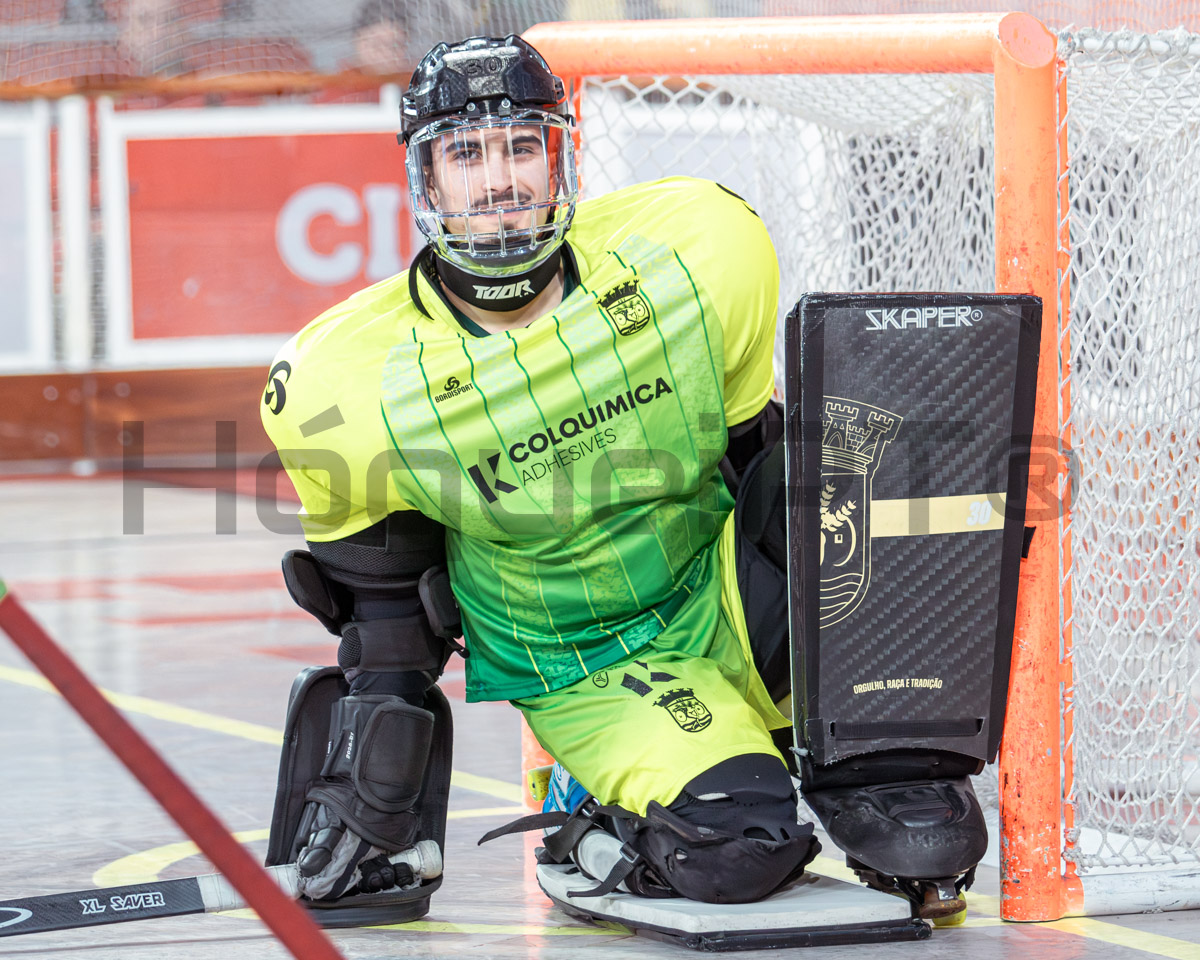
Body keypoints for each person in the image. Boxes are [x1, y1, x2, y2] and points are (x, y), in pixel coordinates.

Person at [262, 33, 989, 921]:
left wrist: (857, 674)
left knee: (867, 464)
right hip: (587, 661)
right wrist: (376, 786)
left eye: (522, 145)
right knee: (739, 849)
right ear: (427, 180)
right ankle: (591, 814)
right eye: (467, 155)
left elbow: (760, 464)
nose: (501, 180)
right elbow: (383, 606)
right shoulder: (348, 379)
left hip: (719, 593)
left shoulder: (696, 251)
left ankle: (853, 753)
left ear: (560, 154)